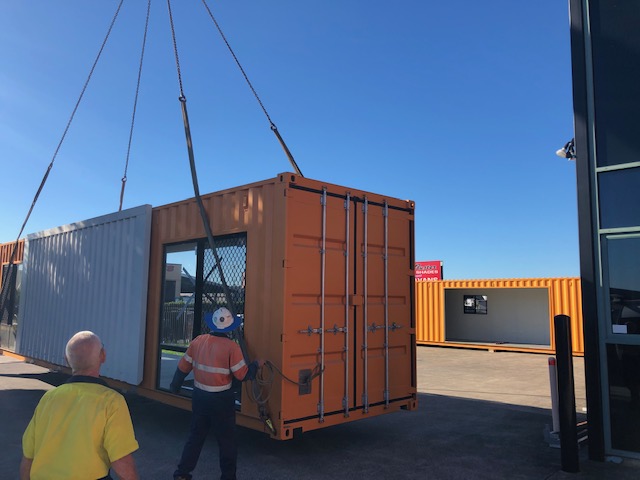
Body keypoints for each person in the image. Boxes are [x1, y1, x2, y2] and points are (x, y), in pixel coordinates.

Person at [20, 331, 139, 480]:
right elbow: (122, 462)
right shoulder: (111, 401)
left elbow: (28, 457)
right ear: (103, 356)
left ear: (67, 360)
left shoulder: (48, 398)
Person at [170, 307, 263, 480]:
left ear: (212, 324)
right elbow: (242, 375)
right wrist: (256, 365)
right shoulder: (231, 347)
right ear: (230, 328)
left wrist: (175, 386)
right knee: (227, 441)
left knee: (195, 437)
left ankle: (182, 474)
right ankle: (228, 477)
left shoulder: (198, 341)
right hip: (221, 401)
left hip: (200, 397)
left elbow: (183, 367)